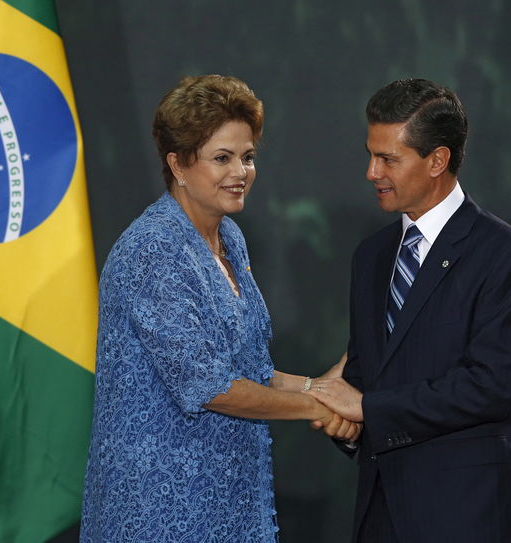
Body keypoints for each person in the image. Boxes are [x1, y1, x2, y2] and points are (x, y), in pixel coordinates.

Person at [80, 74, 359, 542]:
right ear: (179, 164)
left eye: (248, 157)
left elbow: (247, 367)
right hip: (160, 509)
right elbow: (211, 386)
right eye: (222, 158)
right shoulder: (153, 250)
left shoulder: (228, 236)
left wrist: (321, 386)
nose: (241, 172)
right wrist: (320, 405)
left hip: (232, 500)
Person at [307, 79, 511, 542]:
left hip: (469, 515)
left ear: (437, 160)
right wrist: (348, 422)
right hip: (381, 514)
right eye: (370, 154)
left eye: (388, 159)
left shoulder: (505, 253)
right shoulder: (371, 257)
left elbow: (489, 385)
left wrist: (365, 407)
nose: (371, 172)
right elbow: (364, 375)